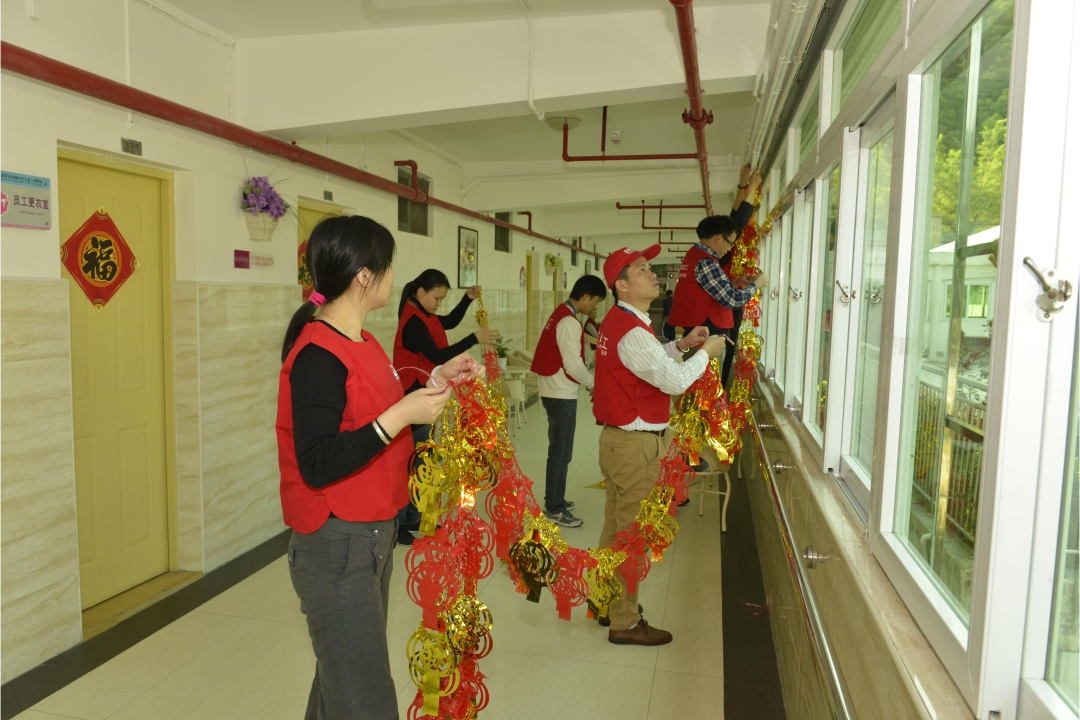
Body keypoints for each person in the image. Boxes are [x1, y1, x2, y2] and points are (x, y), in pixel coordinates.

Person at [277, 215, 484, 720]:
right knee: (364, 696)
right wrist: (399, 418)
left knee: (341, 683)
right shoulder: (317, 355)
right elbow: (319, 462)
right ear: (364, 277)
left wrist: (436, 378)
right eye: (389, 266)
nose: (396, 277)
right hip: (336, 541)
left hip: (370, 533)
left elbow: (380, 406)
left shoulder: (363, 342)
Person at [593, 244, 728, 646]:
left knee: (614, 531)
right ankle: (625, 622)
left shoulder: (624, 322)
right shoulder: (631, 329)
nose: (653, 274)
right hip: (634, 448)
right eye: (642, 269)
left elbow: (648, 364)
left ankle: (606, 602)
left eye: (650, 267)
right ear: (621, 284)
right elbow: (672, 381)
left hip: (620, 442)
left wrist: (683, 345)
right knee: (631, 537)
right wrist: (706, 353)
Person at [392, 269, 499, 545]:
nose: (439, 304)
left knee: (428, 459)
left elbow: (448, 322)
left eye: (442, 299)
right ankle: (403, 523)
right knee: (416, 461)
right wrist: (474, 338)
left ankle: (420, 518)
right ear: (420, 292)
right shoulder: (412, 322)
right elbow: (439, 355)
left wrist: (466, 299)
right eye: (436, 298)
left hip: (428, 394)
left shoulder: (424, 315)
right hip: (414, 396)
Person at [530, 274, 608, 528]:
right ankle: (554, 508)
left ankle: (556, 499)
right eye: (594, 301)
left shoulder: (562, 313)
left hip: (555, 390)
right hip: (560, 393)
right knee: (561, 454)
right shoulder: (570, 322)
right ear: (585, 296)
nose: (593, 307)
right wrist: (593, 384)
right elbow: (572, 364)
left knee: (559, 452)